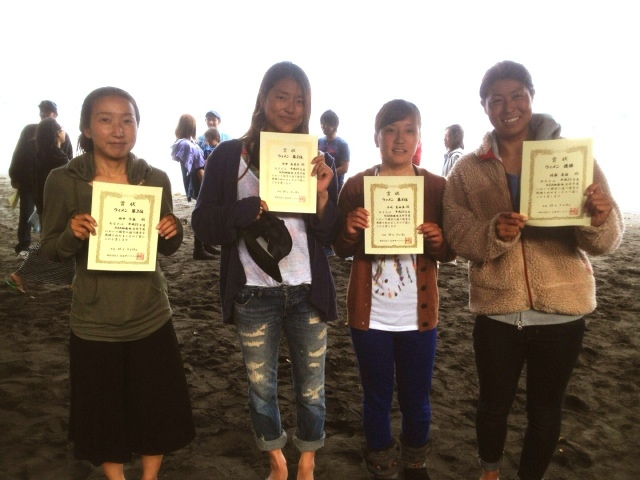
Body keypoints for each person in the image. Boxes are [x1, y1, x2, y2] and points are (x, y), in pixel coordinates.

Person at [442, 60, 624, 480]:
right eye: (496, 100)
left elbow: (607, 239)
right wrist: (493, 232)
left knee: (545, 410)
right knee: (492, 405)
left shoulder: (573, 157)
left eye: (517, 96)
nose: (509, 107)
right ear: (484, 107)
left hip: (563, 311)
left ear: (532, 97)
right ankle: (490, 473)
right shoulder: (468, 169)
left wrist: (598, 219)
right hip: (497, 311)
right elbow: (457, 233)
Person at [192, 61, 338, 480]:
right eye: (281, 96)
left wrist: (323, 196)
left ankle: (307, 461)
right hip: (253, 293)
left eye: (299, 100)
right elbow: (202, 223)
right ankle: (277, 461)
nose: (290, 107)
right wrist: (237, 213)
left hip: (307, 290)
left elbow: (328, 236)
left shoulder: (317, 159)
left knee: (312, 389)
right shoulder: (228, 156)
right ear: (262, 99)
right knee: (261, 389)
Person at [40, 86, 195, 479]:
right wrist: (71, 234)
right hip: (93, 320)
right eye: (105, 120)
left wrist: (173, 229)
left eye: (127, 120)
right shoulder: (62, 180)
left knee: (155, 408)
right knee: (103, 412)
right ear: (86, 128)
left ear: (137, 126)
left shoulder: (154, 178)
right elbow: (50, 251)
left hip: (150, 314)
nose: (118, 130)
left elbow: (168, 247)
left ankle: (150, 476)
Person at [333, 99, 455, 480]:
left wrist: (438, 241)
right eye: (390, 130)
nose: (399, 139)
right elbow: (339, 247)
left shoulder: (436, 187)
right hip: (370, 317)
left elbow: (450, 251)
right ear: (376, 137)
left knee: (417, 399)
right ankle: (382, 466)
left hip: (419, 316)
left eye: (408, 130)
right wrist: (349, 229)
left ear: (419, 138)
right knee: (376, 398)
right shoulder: (357, 186)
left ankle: (415, 465)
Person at [7, 117, 73, 293]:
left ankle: (72, 281)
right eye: (61, 129)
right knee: (57, 243)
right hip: (57, 208)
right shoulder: (59, 157)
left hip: (43, 205)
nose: (64, 132)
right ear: (56, 134)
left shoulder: (38, 154)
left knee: (56, 242)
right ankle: (20, 275)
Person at [9, 100, 73, 254]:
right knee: (26, 213)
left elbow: (69, 160)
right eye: (42, 111)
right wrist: (14, 175)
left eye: (47, 111)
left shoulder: (62, 135)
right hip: (28, 182)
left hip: (50, 185)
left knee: (48, 215)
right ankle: (23, 245)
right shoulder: (29, 130)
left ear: (55, 114)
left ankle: (46, 246)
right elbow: (18, 154)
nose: (44, 113)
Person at [171, 114, 218, 259]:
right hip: (198, 182)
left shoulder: (182, 143)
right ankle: (199, 249)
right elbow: (197, 168)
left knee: (204, 213)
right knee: (202, 214)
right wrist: (207, 186)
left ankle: (206, 245)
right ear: (191, 127)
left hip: (193, 181)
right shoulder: (187, 145)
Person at [318, 109, 350, 192]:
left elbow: (344, 168)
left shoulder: (342, 144)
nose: (323, 126)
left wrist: (328, 174)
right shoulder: (318, 142)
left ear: (335, 125)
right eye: (322, 123)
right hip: (319, 185)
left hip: (335, 187)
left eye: (327, 123)